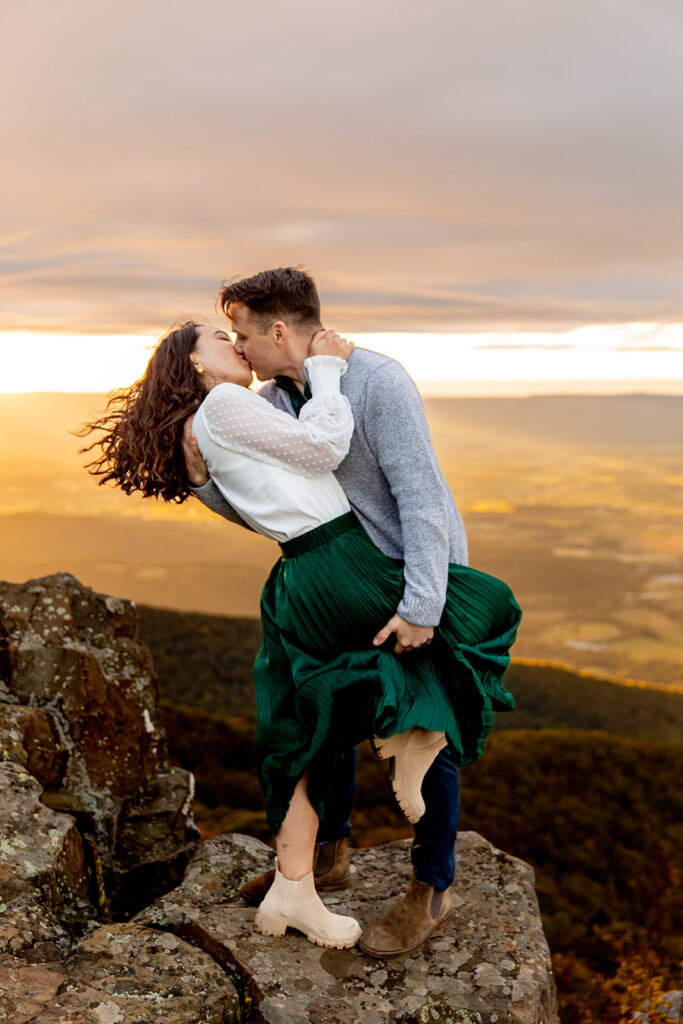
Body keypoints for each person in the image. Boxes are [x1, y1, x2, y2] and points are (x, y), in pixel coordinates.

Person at [183, 267, 521, 958]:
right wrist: (201, 483)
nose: (239, 349)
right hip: (345, 582)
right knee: (325, 710)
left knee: (424, 721)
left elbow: (421, 495)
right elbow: (279, 508)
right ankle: (329, 857)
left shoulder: (375, 380)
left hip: (409, 575)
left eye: (243, 333)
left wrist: (422, 605)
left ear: (278, 329)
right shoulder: (278, 397)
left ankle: (431, 889)